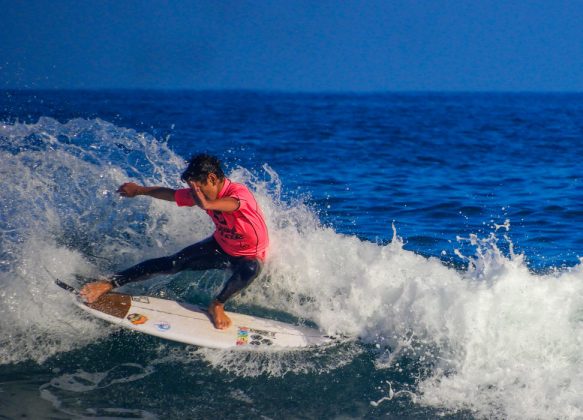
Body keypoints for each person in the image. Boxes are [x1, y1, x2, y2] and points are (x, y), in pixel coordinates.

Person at [79, 154, 269, 330]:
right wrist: (139, 190)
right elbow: (171, 194)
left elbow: (225, 205)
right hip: (221, 246)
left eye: (197, 189)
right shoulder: (203, 194)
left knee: (250, 269)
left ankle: (217, 305)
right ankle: (109, 283)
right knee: (173, 263)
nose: (194, 194)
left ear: (212, 179)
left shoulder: (239, 195)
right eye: (192, 190)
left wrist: (202, 200)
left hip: (248, 255)